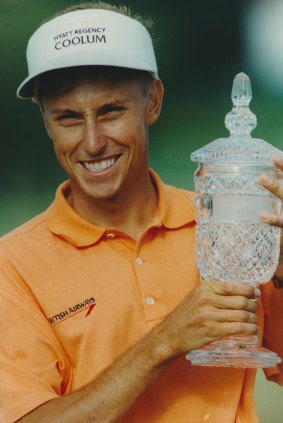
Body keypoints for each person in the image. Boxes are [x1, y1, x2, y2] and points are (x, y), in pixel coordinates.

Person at [0, 2, 282, 422]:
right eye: (69, 118)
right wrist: (165, 341)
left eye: (111, 111)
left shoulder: (233, 222)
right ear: (44, 120)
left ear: (152, 102)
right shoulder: (13, 265)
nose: (93, 142)